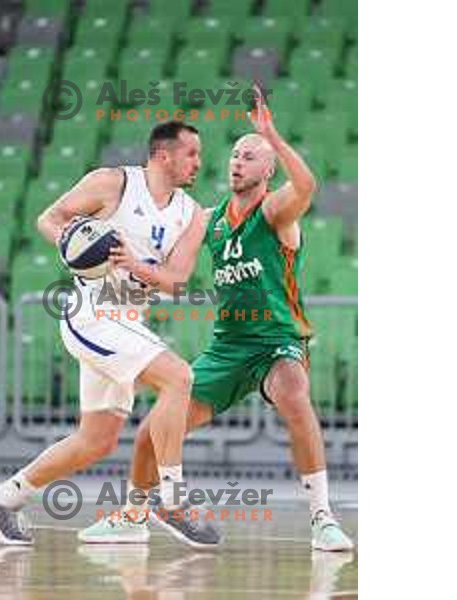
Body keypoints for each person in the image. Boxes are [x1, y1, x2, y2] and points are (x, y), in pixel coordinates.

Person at [79, 90, 354, 552]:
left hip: (276, 343)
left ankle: (322, 517)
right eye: (234, 155)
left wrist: (272, 136)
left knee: (293, 391)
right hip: (227, 348)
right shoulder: (209, 221)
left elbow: (306, 186)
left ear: (267, 170)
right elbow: (166, 253)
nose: (236, 162)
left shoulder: (275, 212)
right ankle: (132, 516)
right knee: (152, 431)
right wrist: (121, 254)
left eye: (249, 156)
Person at [0, 121, 220, 548]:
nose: (199, 162)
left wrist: (135, 265)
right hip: (94, 313)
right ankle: (171, 498)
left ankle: (2, 499)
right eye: (192, 153)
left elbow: (177, 280)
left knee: (96, 440)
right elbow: (49, 219)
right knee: (179, 377)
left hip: (129, 321)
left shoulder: (191, 214)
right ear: (164, 155)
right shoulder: (112, 183)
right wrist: (74, 244)